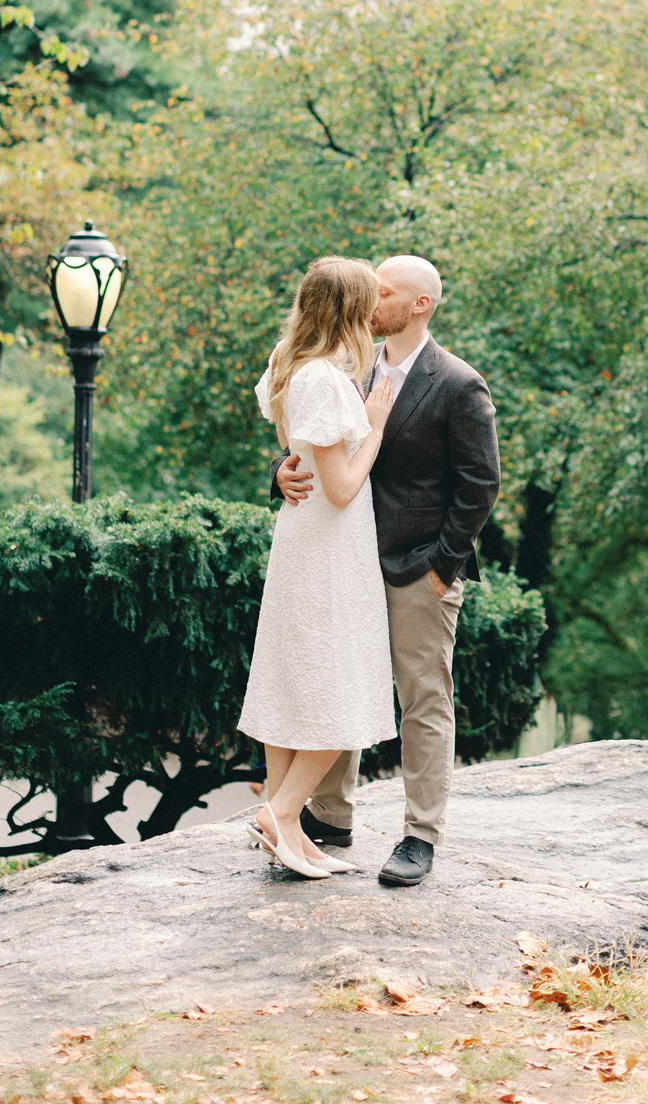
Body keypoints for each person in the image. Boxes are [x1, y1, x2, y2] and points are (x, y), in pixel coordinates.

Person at [275, 255, 501, 888]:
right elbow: (318, 442)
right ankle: (329, 818)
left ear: (419, 305)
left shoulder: (458, 383)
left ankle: (419, 836)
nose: (370, 300)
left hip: (418, 567)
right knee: (337, 679)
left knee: (423, 698)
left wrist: (443, 567)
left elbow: (481, 483)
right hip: (342, 559)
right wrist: (282, 470)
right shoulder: (347, 365)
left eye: (385, 292)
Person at [239, 256, 397, 880]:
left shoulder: (286, 361)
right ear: (350, 311)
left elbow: (294, 451)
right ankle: (279, 810)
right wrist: (376, 426)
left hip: (301, 540)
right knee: (343, 689)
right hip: (331, 543)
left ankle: (290, 829)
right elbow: (340, 486)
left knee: (294, 680)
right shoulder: (328, 381)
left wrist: (283, 468)